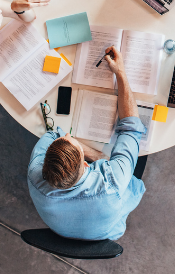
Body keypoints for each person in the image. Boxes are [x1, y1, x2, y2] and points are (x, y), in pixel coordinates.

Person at [27, 46, 146, 240]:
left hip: (61, 230)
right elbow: (131, 127)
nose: (67, 135)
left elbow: (51, 135)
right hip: (107, 233)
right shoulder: (112, 183)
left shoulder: (34, 174)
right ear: (85, 164)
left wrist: (94, 154)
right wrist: (120, 73)